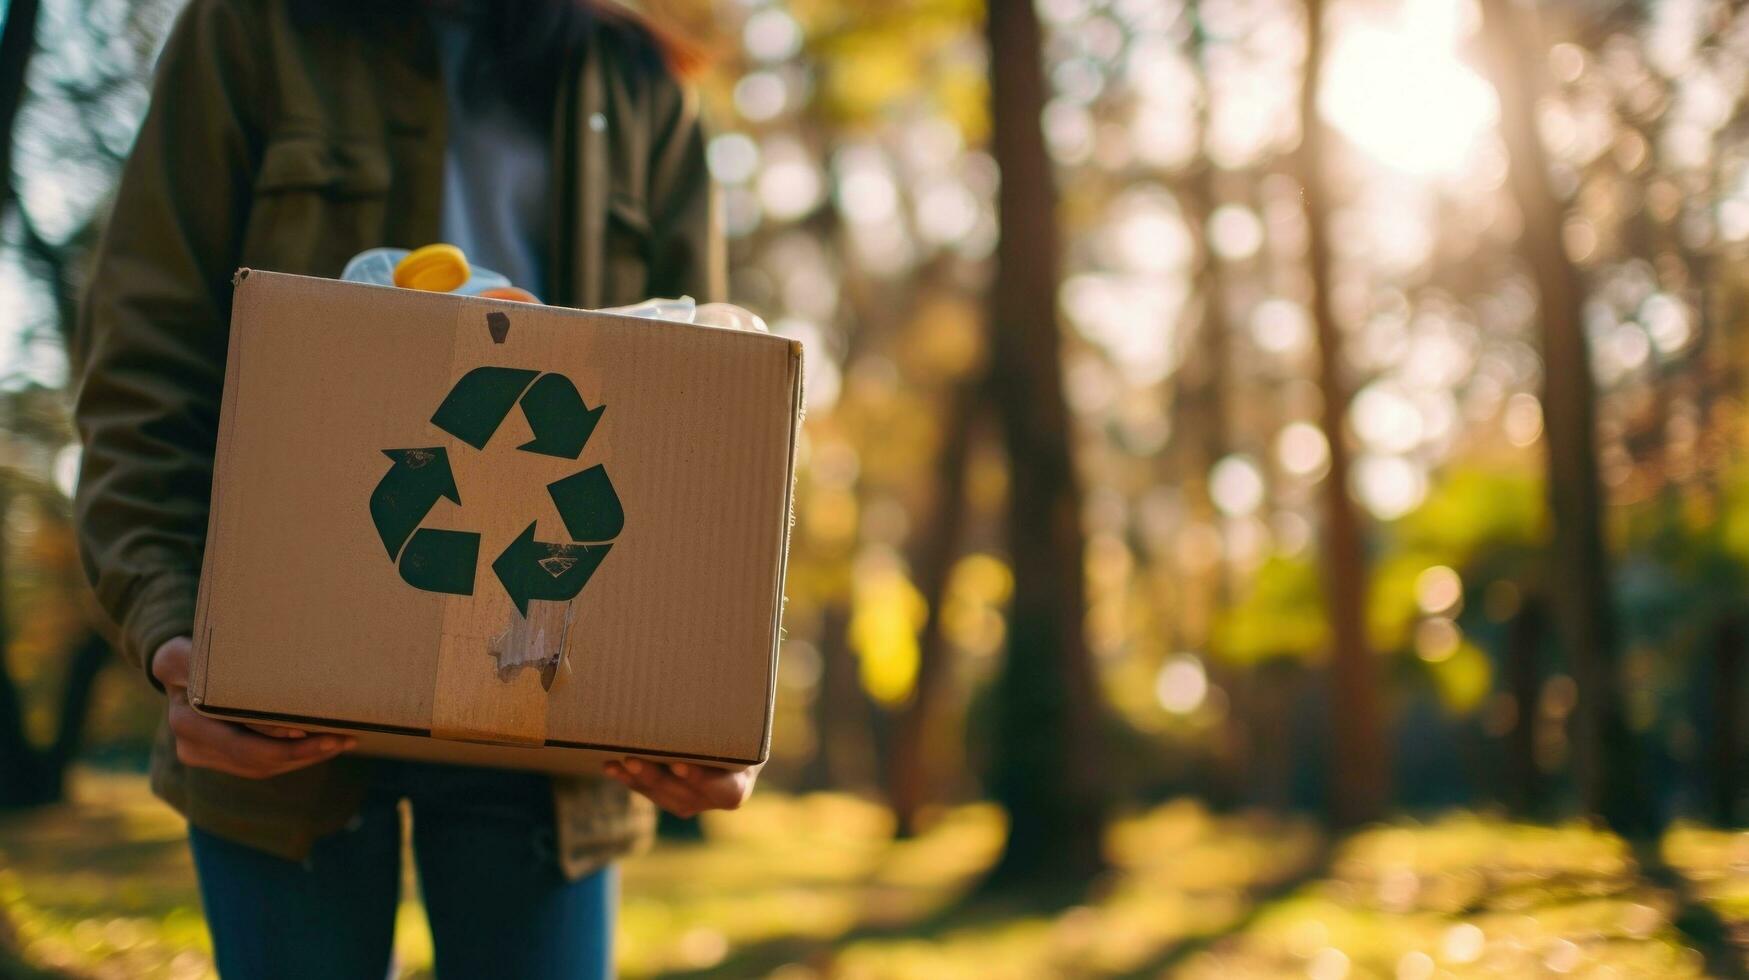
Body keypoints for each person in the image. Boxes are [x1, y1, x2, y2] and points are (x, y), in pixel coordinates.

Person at [70, 1, 755, 976]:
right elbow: (147, 356)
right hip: (286, 675)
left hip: (545, 689)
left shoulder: (639, 83)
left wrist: (713, 693)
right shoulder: (251, 30)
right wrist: (172, 626)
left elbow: (707, 418)